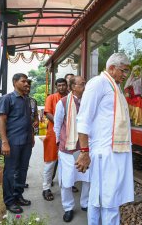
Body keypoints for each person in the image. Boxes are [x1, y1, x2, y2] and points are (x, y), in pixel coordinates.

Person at [75, 53, 134, 225]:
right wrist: (84, 151)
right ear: (111, 68)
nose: (125, 75)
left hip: (114, 151)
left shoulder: (114, 87)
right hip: (104, 152)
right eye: (123, 71)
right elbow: (83, 119)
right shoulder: (98, 83)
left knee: (105, 197)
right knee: (107, 199)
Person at [54, 76, 90, 222]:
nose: (85, 86)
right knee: (67, 180)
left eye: (85, 83)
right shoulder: (63, 103)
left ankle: (85, 203)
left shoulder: (88, 101)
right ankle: (68, 207)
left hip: (85, 147)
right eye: (82, 84)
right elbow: (57, 123)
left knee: (87, 178)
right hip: (67, 148)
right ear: (73, 87)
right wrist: (58, 142)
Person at [0, 73, 34, 214]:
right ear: (15, 82)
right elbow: (2, 121)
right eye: (23, 81)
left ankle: (18, 196)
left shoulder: (26, 99)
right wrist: (4, 142)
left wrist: (31, 136)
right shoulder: (7, 99)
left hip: (26, 142)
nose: (26, 84)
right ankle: (9, 201)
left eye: (27, 81)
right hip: (12, 141)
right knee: (10, 172)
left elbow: (28, 120)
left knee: (22, 170)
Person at [42, 78, 68, 201]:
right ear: (56, 86)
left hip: (69, 135)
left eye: (63, 85)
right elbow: (47, 113)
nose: (61, 87)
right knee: (50, 161)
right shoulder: (51, 98)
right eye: (59, 85)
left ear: (67, 86)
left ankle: (68, 184)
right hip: (53, 134)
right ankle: (46, 187)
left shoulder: (72, 98)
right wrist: (61, 122)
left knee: (68, 162)